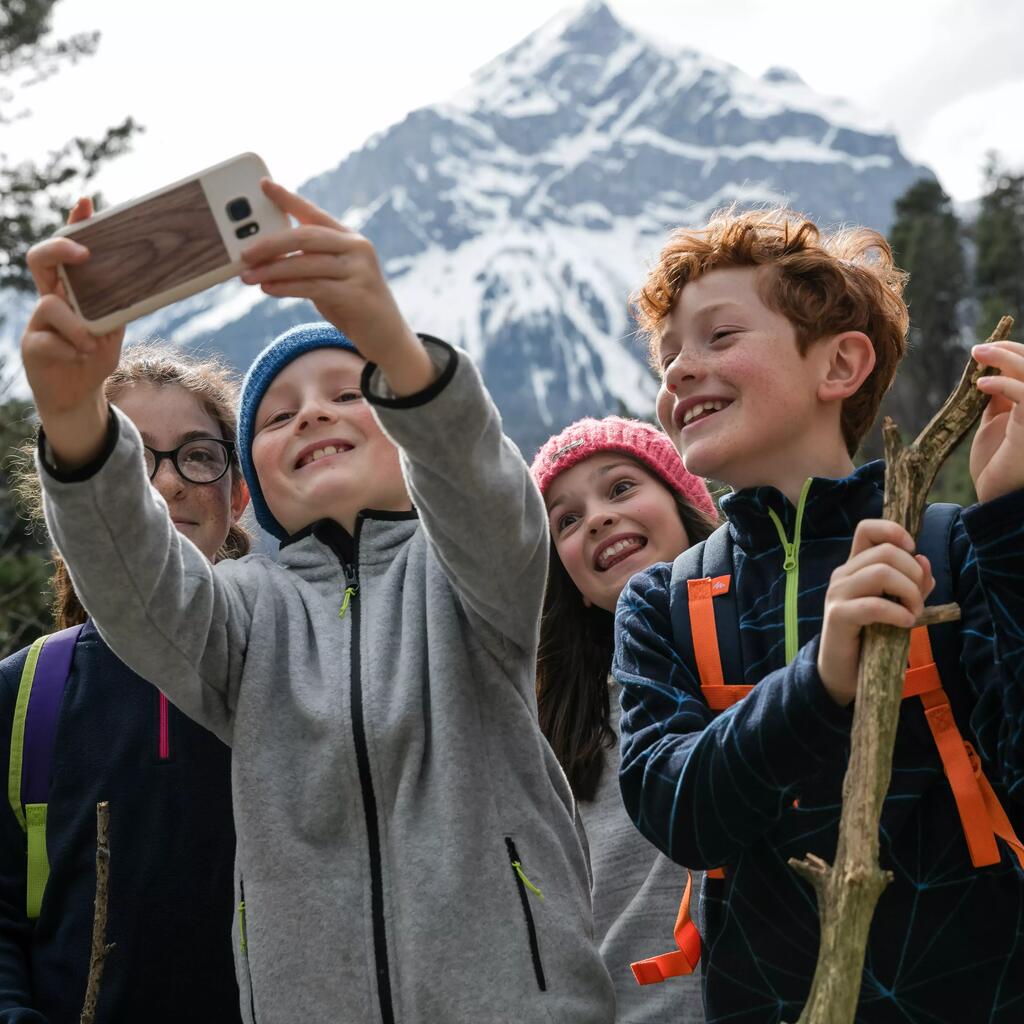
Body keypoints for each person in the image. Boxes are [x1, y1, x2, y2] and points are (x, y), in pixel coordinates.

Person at [20, 180, 615, 1024]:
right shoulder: (240, 615)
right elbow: (134, 576)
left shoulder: (470, 571)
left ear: (404, 431)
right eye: (278, 415)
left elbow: (484, 490)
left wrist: (395, 347)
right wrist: (76, 414)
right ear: (248, 487)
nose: (311, 417)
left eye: (348, 392)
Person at [614, 207, 1024, 1023]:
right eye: (668, 359)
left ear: (840, 363)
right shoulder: (662, 602)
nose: (679, 374)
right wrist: (818, 684)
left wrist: (1011, 522)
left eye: (718, 337)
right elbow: (680, 815)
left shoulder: (954, 550)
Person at [0, 300, 249, 1019]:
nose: (166, 483)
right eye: (127, 458)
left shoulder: (288, 672)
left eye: (197, 456)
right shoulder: (25, 697)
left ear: (236, 495)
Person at [531, 415, 715, 1023]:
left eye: (620, 489)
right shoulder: (562, 732)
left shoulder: (770, 646)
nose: (598, 518)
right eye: (567, 520)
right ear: (573, 584)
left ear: (685, 502)